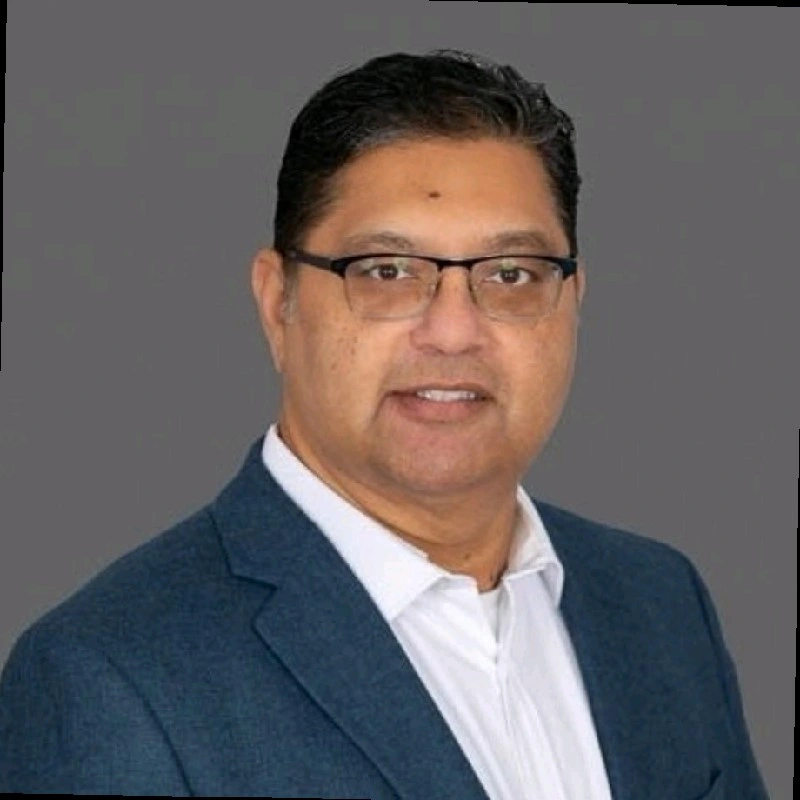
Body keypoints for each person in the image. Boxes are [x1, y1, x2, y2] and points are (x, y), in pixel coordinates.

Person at [0, 49, 768, 799]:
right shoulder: (110, 681)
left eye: (511, 274)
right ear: (277, 303)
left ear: (572, 302)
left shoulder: (658, 602)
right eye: (387, 272)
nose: (454, 332)